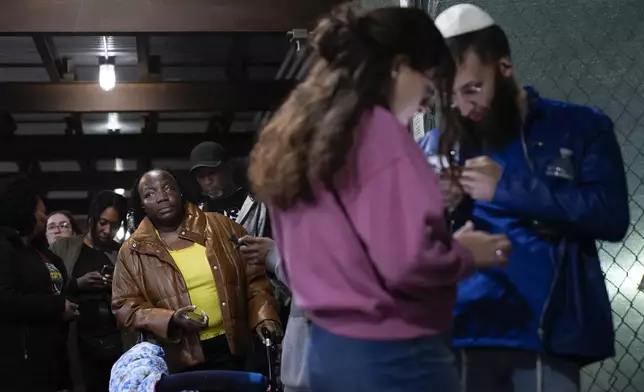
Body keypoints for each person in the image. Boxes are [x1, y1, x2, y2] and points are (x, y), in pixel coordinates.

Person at [248, 5, 511, 392]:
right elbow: (405, 265)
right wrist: (466, 253)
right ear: (400, 66)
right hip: (395, 354)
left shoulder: (301, 138)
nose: (426, 103)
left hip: (325, 352)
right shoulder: (380, 134)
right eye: (428, 83)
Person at [417, 4, 630, 391]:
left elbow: (611, 216)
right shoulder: (433, 146)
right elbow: (402, 246)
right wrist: (434, 207)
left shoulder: (578, 127)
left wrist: (510, 187)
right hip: (458, 334)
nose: (464, 107)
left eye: (473, 89)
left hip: (546, 336)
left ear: (505, 68)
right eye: (450, 97)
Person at [111, 169, 281, 374]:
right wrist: (170, 319)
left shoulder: (220, 226)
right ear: (142, 205)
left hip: (235, 348)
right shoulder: (131, 252)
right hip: (178, 356)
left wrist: (264, 316)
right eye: (150, 194)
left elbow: (255, 279)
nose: (162, 197)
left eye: (168, 188)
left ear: (180, 192)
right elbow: (125, 307)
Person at [0, 174, 79, 392]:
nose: (45, 219)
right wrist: (57, 306)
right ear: (24, 210)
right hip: (17, 366)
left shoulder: (40, 253)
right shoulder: (5, 246)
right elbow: (5, 298)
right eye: (42, 213)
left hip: (51, 357)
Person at [51, 190, 127, 392]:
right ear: (92, 218)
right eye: (102, 223)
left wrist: (115, 285)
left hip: (114, 338)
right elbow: (48, 288)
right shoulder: (64, 247)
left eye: (115, 225)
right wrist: (77, 284)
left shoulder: (122, 253)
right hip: (75, 339)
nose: (107, 230)